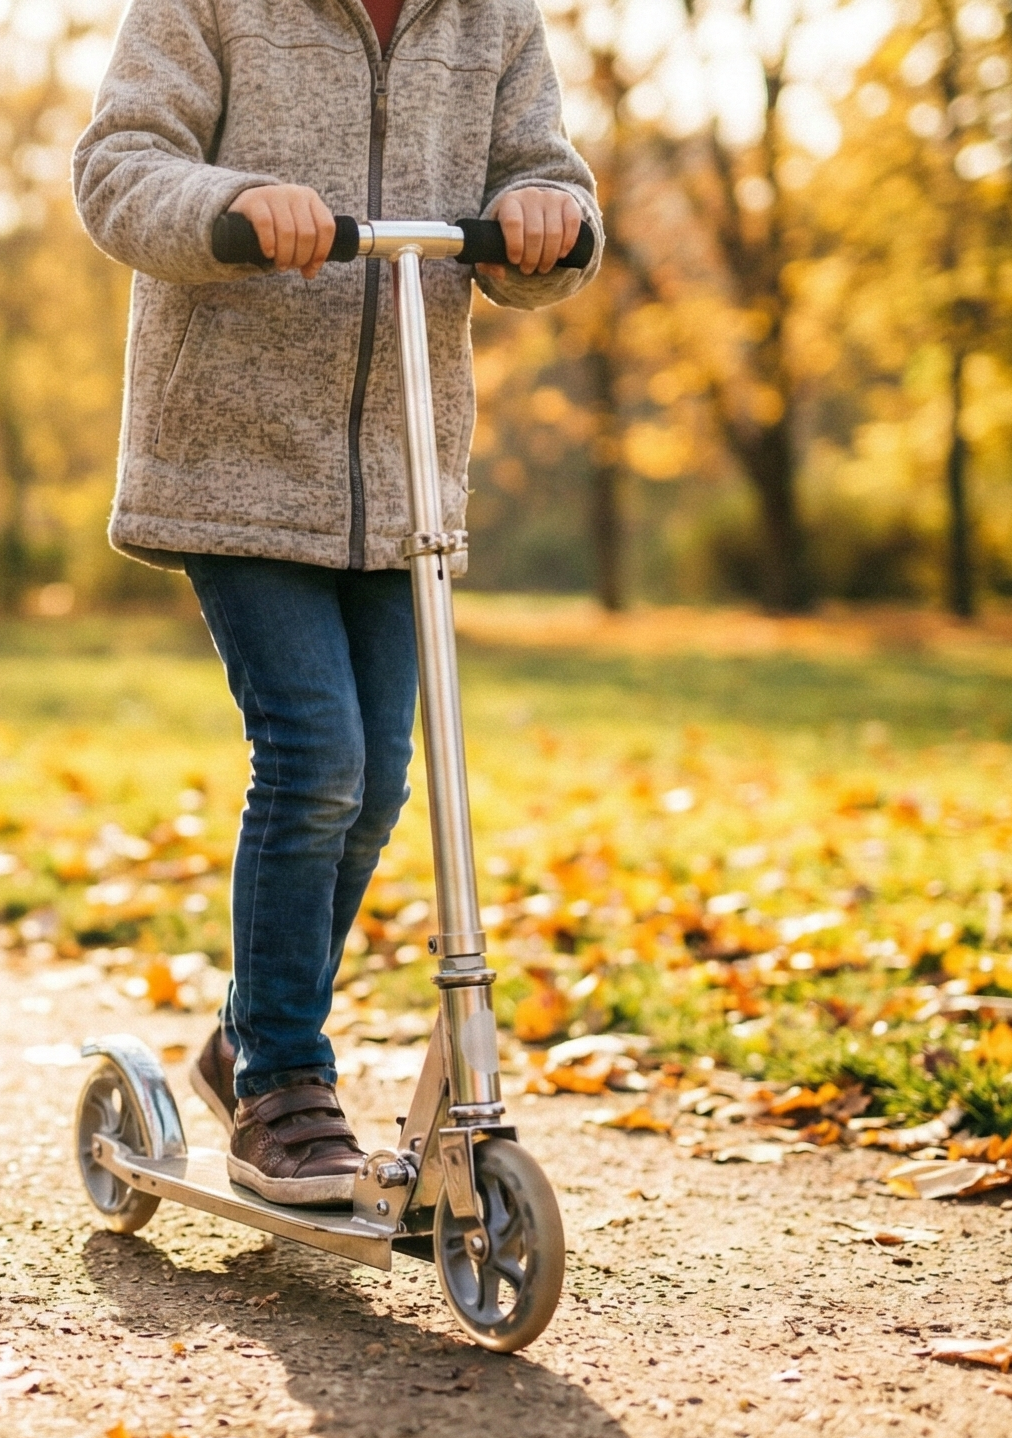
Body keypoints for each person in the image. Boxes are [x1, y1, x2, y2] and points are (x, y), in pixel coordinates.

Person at [72, 0, 600, 1205]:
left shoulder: (490, 21)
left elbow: (549, 184)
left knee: (374, 790)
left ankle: (246, 1036)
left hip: (403, 476)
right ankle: (281, 1083)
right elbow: (116, 169)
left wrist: (548, 219)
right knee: (314, 758)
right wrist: (231, 203)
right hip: (235, 461)